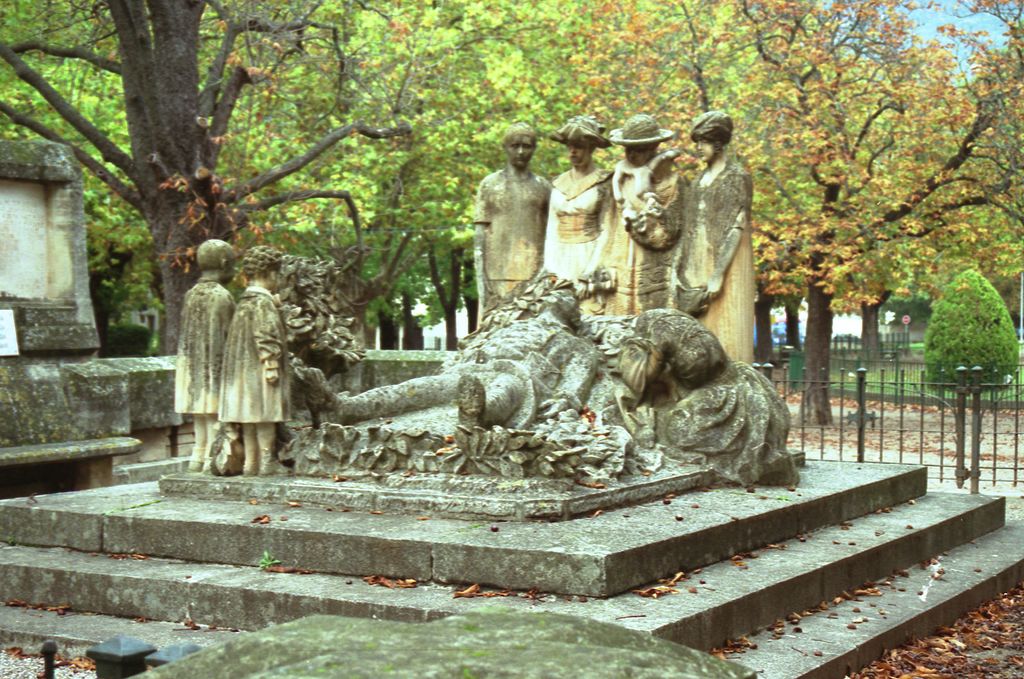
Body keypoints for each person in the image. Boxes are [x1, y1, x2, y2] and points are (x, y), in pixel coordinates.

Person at [617, 308, 797, 486]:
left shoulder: (693, 370)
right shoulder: (651, 323)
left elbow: (684, 391)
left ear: (665, 371)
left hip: (720, 392)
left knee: (678, 430)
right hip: (716, 379)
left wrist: (647, 429)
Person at [677, 110, 755, 362]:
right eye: (697, 142)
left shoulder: (737, 177)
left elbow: (736, 226)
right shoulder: (698, 180)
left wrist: (718, 273)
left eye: (703, 142)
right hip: (696, 260)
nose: (698, 148)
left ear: (718, 143)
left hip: (724, 263)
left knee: (724, 328)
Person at [599, 114, 684, 315]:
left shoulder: (670, 183)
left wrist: (651, 221)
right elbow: (608, 227)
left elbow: (671, 232)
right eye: (628, 149)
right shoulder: (619, 178)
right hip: (620, 267)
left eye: (639, 150)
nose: (632, 155)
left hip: (653, 272)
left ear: (653, 148)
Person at [218, 245, 291, 476]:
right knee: (265, 421)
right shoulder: (262, 303)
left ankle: (251, 464)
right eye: (278, 274)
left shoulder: (245, 301)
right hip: (261, 372)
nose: (279, 279)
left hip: (242, 375)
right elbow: (266, 334)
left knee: (249, 422)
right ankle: (267, 463)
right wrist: (271, 366)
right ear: (269, 272)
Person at [473, 122, 551, 311]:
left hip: (534, 275)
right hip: (496, 274)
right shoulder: (490, 185)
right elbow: (479, 235)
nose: (521, 152)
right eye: (515, 146)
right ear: (505, 147)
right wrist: (481, 277)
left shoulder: (543, 187)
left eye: (527, 146)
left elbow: (551, 235)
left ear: (534, 148)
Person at [541, 115, 614, 312]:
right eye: (570, 146)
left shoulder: (604, 182)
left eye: (579, 146)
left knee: (589, 312)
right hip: (560, 254)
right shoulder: (557, 184)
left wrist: (591, 270)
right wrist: (549, 268)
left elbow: (607, 230)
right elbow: (551, 228)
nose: (573, 151)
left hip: (588, 253)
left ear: (591, 148)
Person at [174, 239, 235, 472]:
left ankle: (197, 455)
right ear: (223, 262)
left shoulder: (191, 295)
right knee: (213, 415)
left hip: (193, 367)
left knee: (200, 416)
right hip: (214, 366)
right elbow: (231, 334)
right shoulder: (222, 296)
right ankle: (212, 456)